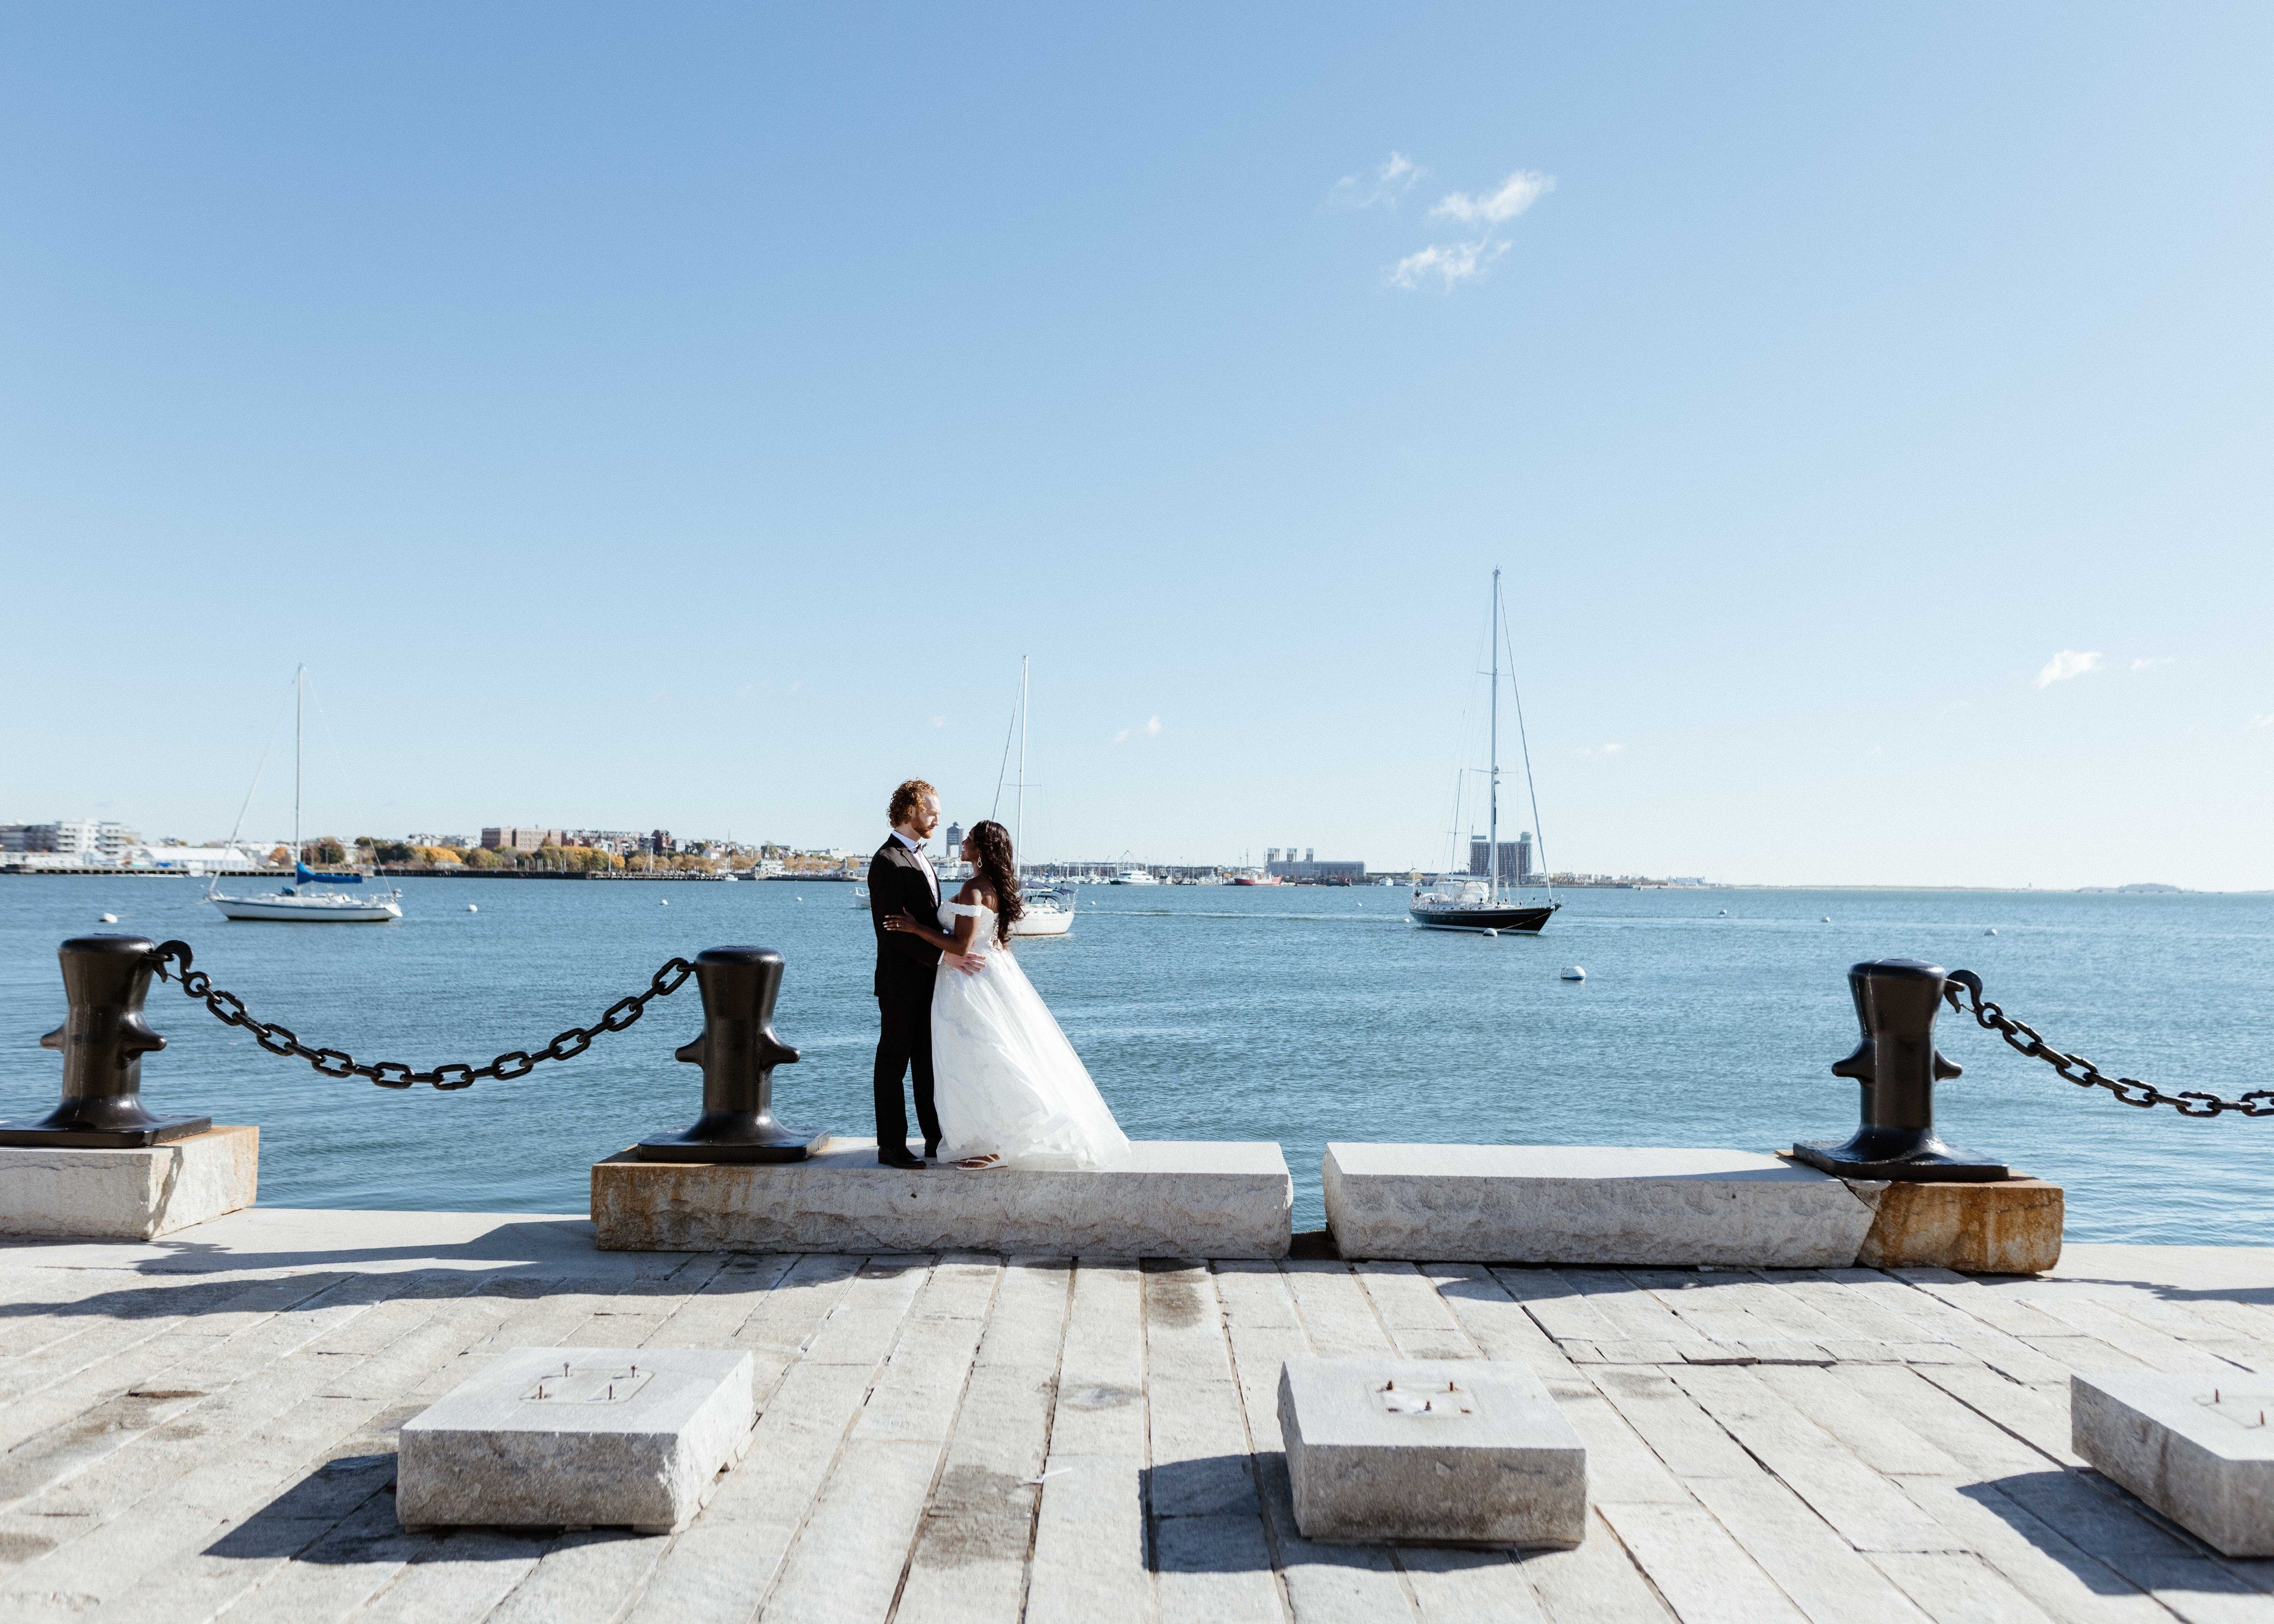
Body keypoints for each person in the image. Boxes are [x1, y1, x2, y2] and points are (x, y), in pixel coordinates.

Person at [883, 819, 1129, 1170]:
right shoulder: (997, 884)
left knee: (980, 1057)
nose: (963, 841)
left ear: (980, 849)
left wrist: (915, 927)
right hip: (992, 972)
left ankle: (998, 1143)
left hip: (969, 981)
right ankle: (993, 1137)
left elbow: (961, 945)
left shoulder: (973, 888)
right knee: (992, 1053)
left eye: (969, 838)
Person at [868, 779, 978, 1169]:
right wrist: (941, 958)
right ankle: (892, 1146)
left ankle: (936, 1140)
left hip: (927, 982)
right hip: (900, 982)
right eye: (932, 811)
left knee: (927, 1063)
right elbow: (889, 930)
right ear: (912, 809)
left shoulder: (920, 857)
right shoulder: (887, 860)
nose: (936, 818)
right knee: (893, 1061)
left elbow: (924, 918)